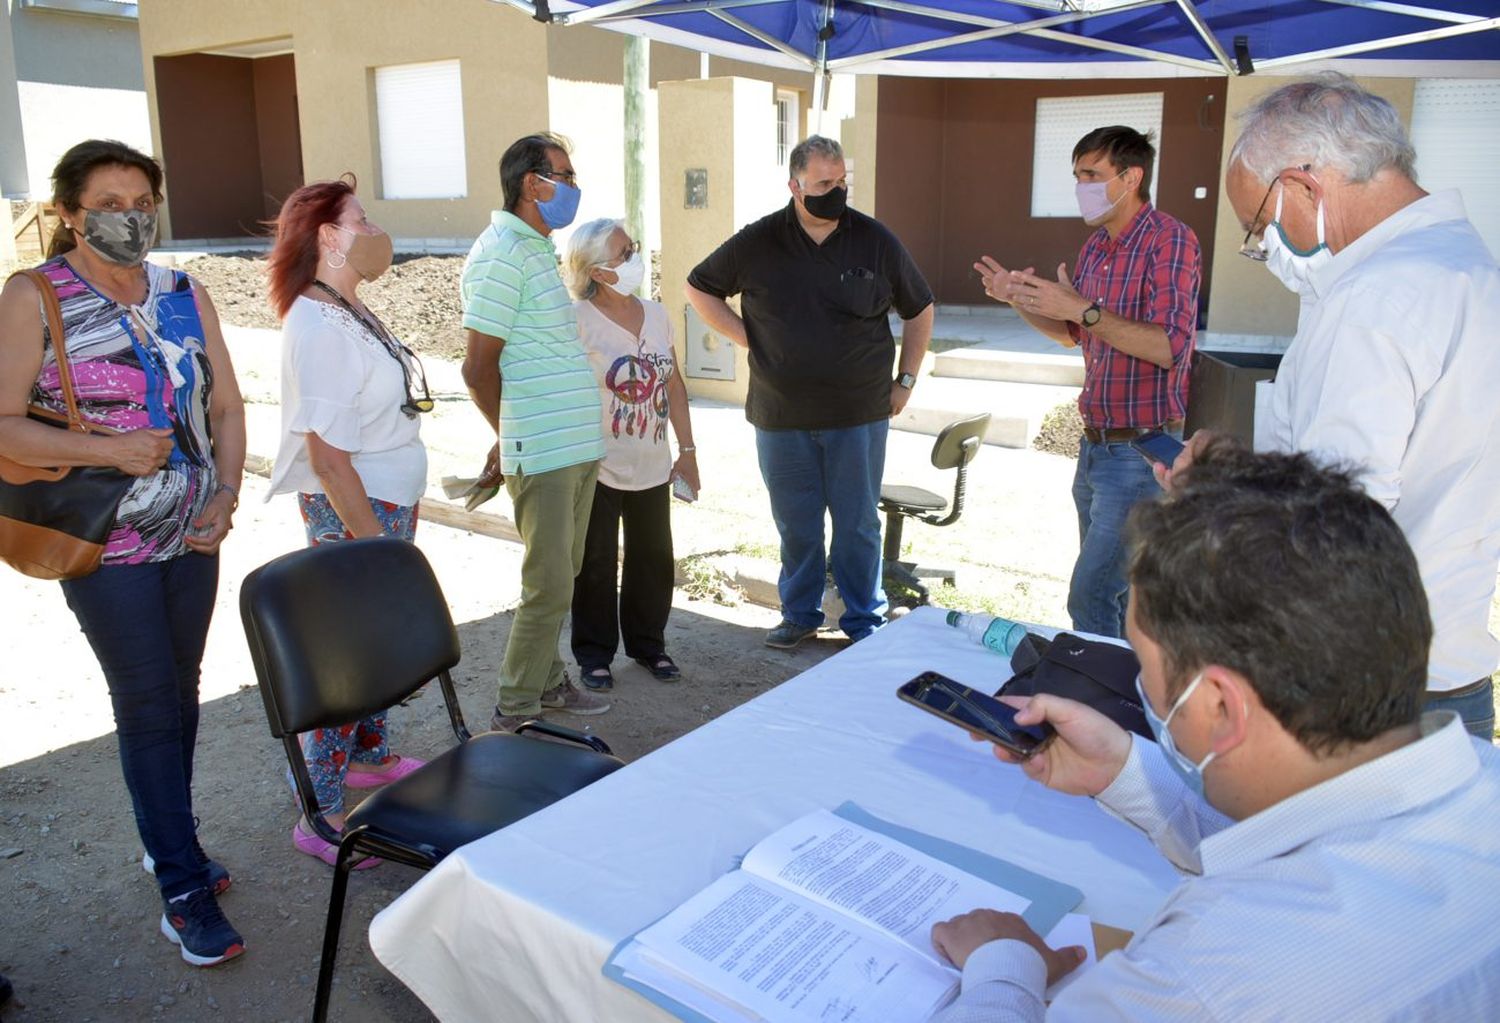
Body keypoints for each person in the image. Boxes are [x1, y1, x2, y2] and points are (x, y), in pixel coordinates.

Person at [930, 443, 1500, 1020]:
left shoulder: (1205, 977)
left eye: (1144, 667)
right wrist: (1127, 772)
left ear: (1222, 707)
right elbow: (1309, 843)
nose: (1145, 692)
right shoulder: (1479, 777)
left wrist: (1002, 966)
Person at [1165, 73, 1499, 738]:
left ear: (1305, 185)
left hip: (1368, 686)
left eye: (1258, 224)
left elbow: (1335, 521)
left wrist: (1219, 493)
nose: (1260, 247)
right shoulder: (1467, 264)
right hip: (1447, 664)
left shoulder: (1375, 297)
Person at [0, 140, 247, 966]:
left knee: (182, 695)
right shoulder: (35, 295)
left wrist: (227, 492)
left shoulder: (184, 289)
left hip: (195, 530)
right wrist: (110, 451)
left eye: (143, 199)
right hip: (107, 540)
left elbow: (227, 406)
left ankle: (164, 835)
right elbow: (2, 422)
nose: (131, 216)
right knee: (146, 703)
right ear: (69, 212)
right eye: (109, 200)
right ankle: (181, 886)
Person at [686, 135, 934, 648]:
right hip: (782, 415)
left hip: (859, 413)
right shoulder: (759, 241)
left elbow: (920, 309)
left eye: (842, 181)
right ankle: (799, 613)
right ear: (794, 185)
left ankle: (865, 620)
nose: (837, 191)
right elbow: (699, 287)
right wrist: (750, 339)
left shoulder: (874, 239)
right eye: (824, 183)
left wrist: (905, 381)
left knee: (858, 526)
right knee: (797, 524)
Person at [975, 127, 1200, 639]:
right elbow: (1073, 335)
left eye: (1092, 176)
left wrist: (1081, 307)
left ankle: (1097, 701)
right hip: (1095, 446)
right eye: (1077, 176)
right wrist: (1019, 298)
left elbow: (1168, 345)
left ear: (1131, 177)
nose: (1082, 188)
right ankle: (1126, 702)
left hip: (1142, 451)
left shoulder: (1170, 239)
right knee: (1113, 596)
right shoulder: (1096, 246)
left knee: (1093, 594)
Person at [265, 177, 431, 867]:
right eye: (360, 219)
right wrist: (374, 549)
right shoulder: (317, 323)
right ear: (328, 236)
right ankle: (320, 807)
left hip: (388, 496)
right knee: (347, 656)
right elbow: (329, 459)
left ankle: (369, 754)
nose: (373, 229)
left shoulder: (345, 307)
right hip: (360, 508)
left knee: (374, 642)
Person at [460, 133, 609, 731]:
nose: (574, 188)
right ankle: (515, 706)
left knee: (561, 577)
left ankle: (546, 683)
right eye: (565, 176)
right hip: (544, 450)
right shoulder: (501, 252)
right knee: (546, 584)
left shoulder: (533, 248)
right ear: (532, 183)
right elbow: (477, 366)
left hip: (572, 445)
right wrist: (510, 431)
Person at [561, 218, 697, 690]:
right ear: (598, 272)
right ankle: (594, 655)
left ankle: (648, 646)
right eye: (623, 253)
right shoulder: (575, 319)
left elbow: (674, 383)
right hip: (597, 465)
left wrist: (689, 448)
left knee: (654, 558)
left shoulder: (657, 314)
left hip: (653, 464)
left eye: (633, 247)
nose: (635, 258)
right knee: (595, 562)